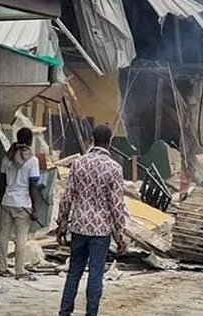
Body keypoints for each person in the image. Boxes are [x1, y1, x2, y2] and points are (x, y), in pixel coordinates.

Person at [57, 125, 127, 316]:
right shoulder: (114, 168)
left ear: (91, 140)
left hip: (79, 226)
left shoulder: (78, 163)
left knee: (74, 272)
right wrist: (121, 235)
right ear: (110, 142)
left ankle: (64, 312)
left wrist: (62, 223)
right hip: (100, 231)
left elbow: (67, 196)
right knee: (95, 274)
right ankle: (91, 313)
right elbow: (117, 205)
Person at [0, 127, 41, 280]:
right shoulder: (32, 161)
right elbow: (33, 186)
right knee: (21, 238)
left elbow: (2, 183)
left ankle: (2, 268)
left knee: (4, 235)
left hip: (7, 201)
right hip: (23, 204)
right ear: (30, 140)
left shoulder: (7, 158)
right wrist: (35, 209)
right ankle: (19, 270)